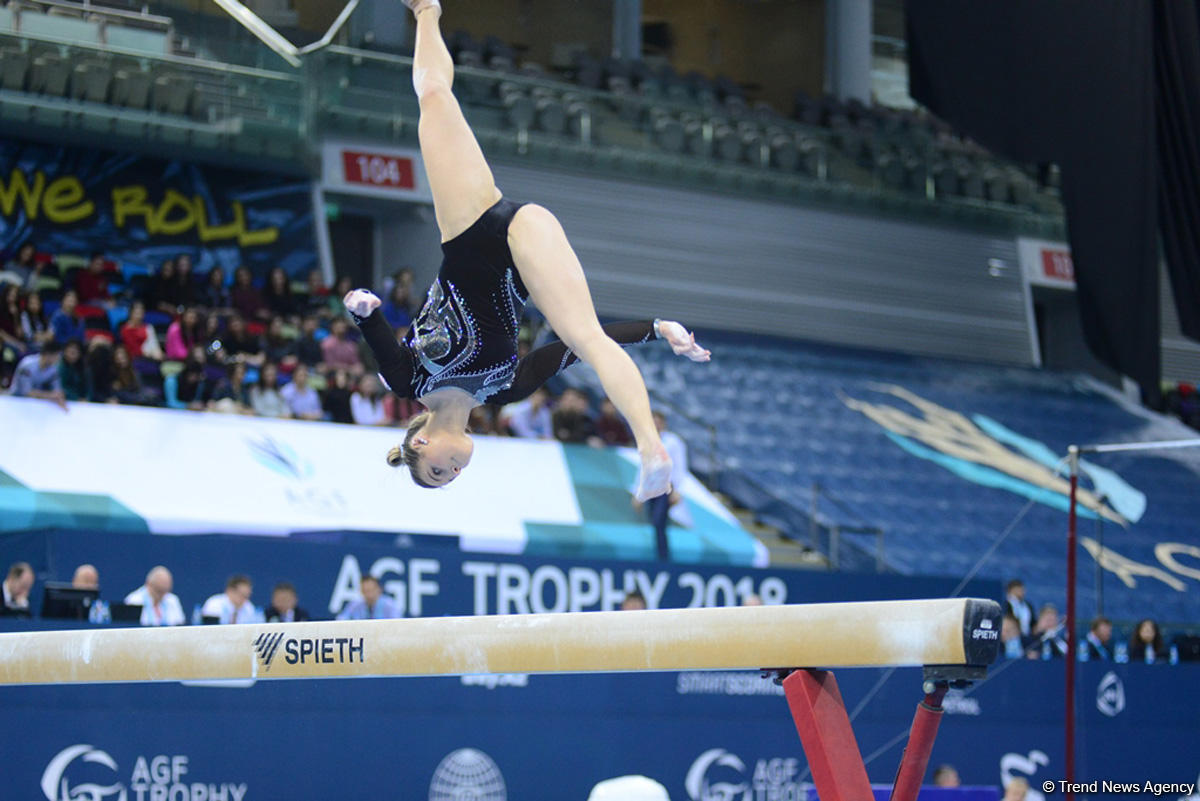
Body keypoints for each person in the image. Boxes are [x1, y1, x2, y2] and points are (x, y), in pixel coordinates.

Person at [344, 0, 709, 498]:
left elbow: (376, 331)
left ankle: (425, 9)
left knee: (433, 96)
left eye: (436, 471)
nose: (452, 472)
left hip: (471, 226)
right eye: (450, 478)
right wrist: (657, 328)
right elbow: (566, 353)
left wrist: (361, 307)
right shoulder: (506, 389)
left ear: (420, 441)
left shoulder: (408, 381)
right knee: (586, 338)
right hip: (523, 250)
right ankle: (651, 448)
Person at [634, 410, 690, 561]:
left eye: (658, 421)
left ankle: (663, 558)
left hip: (666, 487)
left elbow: (679, 467)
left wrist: (677, 490)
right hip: (651, 487)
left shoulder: (673, 442)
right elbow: (642, 467)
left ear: (663, 423)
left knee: (659, 521)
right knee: (654, 521)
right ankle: (657, 555)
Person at [10, 340, 66, 409]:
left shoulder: (53, 369)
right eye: (57, 356)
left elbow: (57, 389)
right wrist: (50, 395)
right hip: (17, 400)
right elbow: (26, 392)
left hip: (36, 401)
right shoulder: (27, 365)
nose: (58, 359)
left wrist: (59, 397)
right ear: (48, 354)